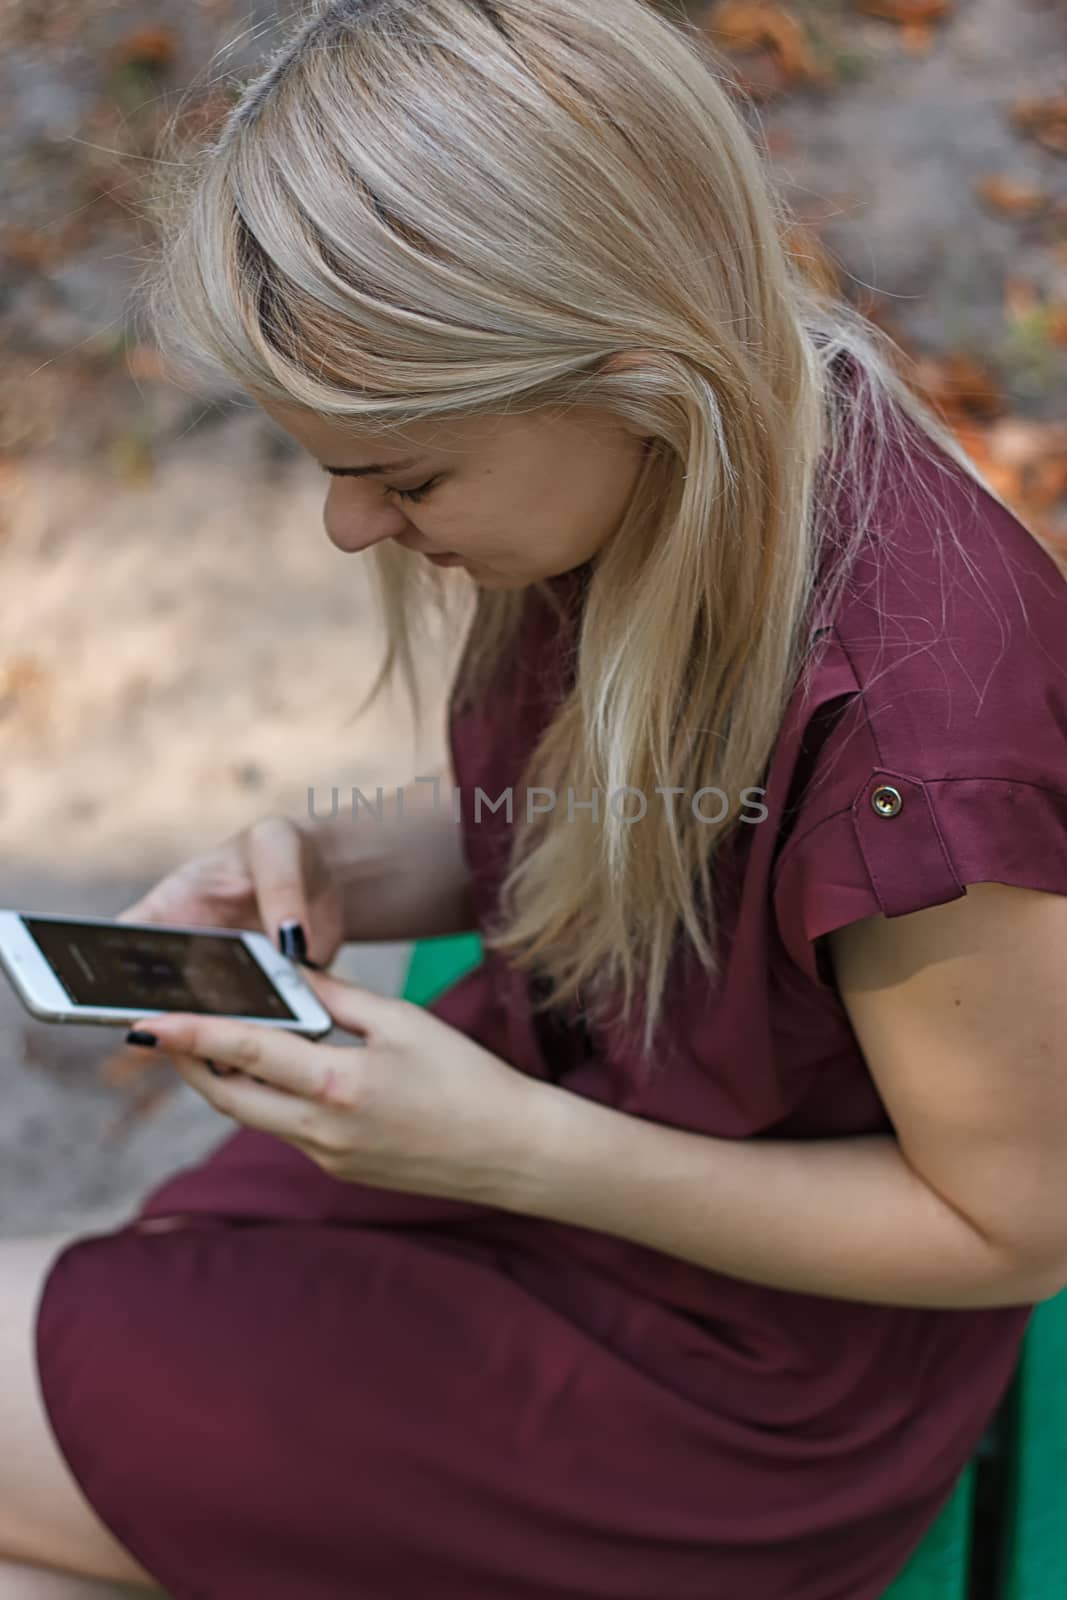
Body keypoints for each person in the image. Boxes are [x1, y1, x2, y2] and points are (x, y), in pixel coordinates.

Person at [4, 1, 1067, 1596]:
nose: (350, 530)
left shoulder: (926, 743)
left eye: (404, 474)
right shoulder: (661, 480)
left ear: (629, 374)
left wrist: (518, 1156)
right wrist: (349, 859)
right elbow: (672, 829)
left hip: (734, 1374)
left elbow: (1014, 1227)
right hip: (549, 1116)